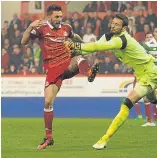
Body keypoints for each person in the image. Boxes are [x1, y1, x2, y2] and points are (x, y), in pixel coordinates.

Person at [65, 13, 157, 150]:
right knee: (154, 98)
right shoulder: (109, 36)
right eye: (113, 23)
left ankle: (104, 139)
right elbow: (95, 45)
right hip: (141, 73)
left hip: (150, 73)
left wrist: (74, 46)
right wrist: (78, 51)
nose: (113, 26)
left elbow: (96, 48)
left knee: (127, 103)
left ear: (124, 28)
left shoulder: (121, 40)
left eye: (117, 24)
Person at [21, 4, 99, 150]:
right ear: (49, 16)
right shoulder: (41, 29)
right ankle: (48, 138)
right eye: (56, 17)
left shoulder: (66, 28)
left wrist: (84, 46)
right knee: (47, 102)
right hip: (52, 69)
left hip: (67, 64)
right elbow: (24, 42)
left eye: (60, 16)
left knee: (78, 55)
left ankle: (89, 73)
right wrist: (30, 27)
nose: (59, 19)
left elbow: (74, 36)